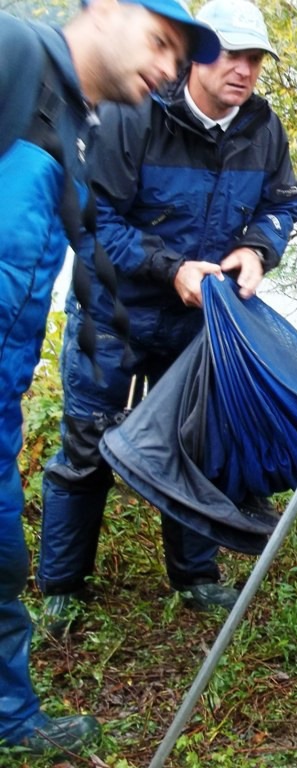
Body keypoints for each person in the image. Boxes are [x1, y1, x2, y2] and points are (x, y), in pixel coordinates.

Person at [36, 0, 297, 631]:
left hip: (201, 317)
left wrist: (257, 248)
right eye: (232, 55)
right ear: (198, 58)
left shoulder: (263, 129)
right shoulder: (133, 113)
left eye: (255, 60)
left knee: (196, 442)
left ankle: (196, 578)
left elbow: (284, 201)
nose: (244, 70)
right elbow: (94, 220)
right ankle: (63, 587)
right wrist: (171, 268)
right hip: (117, 312)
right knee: (87, 446)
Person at [0, 0, 220, 753]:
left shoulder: (72, 125)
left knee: (1, 560)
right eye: (160, 42)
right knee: (75, 469)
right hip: (93, 340)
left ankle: (12, 720)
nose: (167, 69)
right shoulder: (11, 54)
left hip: (5, 387)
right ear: (106, 9)